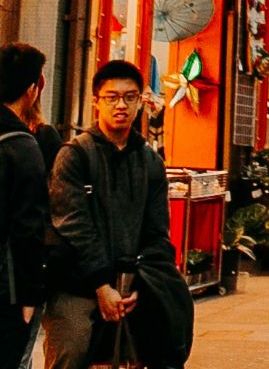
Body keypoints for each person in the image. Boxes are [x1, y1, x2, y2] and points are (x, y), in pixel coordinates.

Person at [44, 61, 192, 369]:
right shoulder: (74, 155)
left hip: (131, 285)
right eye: (111, 97)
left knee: (146, 353)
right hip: (78, 284)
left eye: (129, 97)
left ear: (141, 102)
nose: (120, 105)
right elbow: (73, 224)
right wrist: (102, 286)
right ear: (97, 101)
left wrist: (141, 284)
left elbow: (157, 231)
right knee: (73, 349)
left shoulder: (150, 161)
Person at [0, 44, 49, 368]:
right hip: (7, 290)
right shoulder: (22, 145)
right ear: (32, 90)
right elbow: (29, 227)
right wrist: (31, 296)